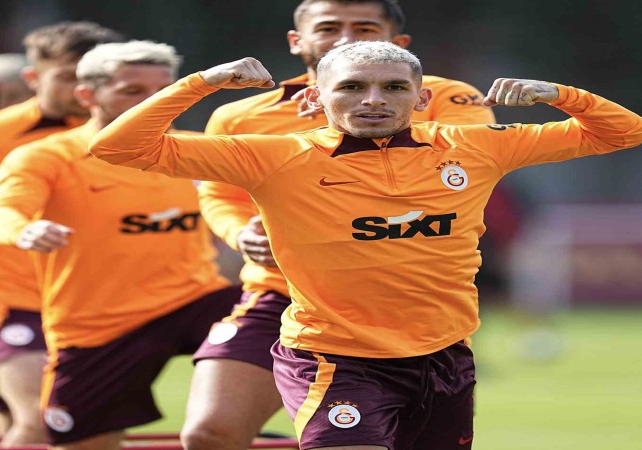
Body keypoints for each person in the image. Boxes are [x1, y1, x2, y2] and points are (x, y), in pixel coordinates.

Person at [89, 42, 642, 449]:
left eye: (393, 87)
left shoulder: (476, 145)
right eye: (352, 87)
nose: (373, 100)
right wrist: (202, 83)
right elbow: (118, 147)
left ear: (421, 97)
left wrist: (559, 95)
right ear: (317, 97)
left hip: (443, 355)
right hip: (333, 357)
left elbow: (627, 131)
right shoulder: (273, 155)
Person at [182, 1, 496, 449]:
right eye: (329, 27)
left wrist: (343, 119)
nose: (346, 38)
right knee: (210, 433)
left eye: (365, 28)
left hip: (401, 305)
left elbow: (466, 166)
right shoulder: (240, 115)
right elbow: (219, 194)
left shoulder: (444, 98)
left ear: (399, 43)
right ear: (297, 41)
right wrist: (240, 233)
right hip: (282, 293)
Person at [0, 40, 239, 450]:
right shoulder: (46, 156)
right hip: (96, 324)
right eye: (133, 91)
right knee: (54, 434)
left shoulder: (201, 150)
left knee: (279, 314)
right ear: (87, 95)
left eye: (164, 91)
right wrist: (23, 230)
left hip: (192, 300)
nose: (152, 102)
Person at [0, 21, 123, 446]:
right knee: (42, 419)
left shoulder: (129, 138)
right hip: (9, 301)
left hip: (96, 309)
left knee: (80, 432)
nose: (83, 87)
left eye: (95, 76)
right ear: (32, 77)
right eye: (67, 76)